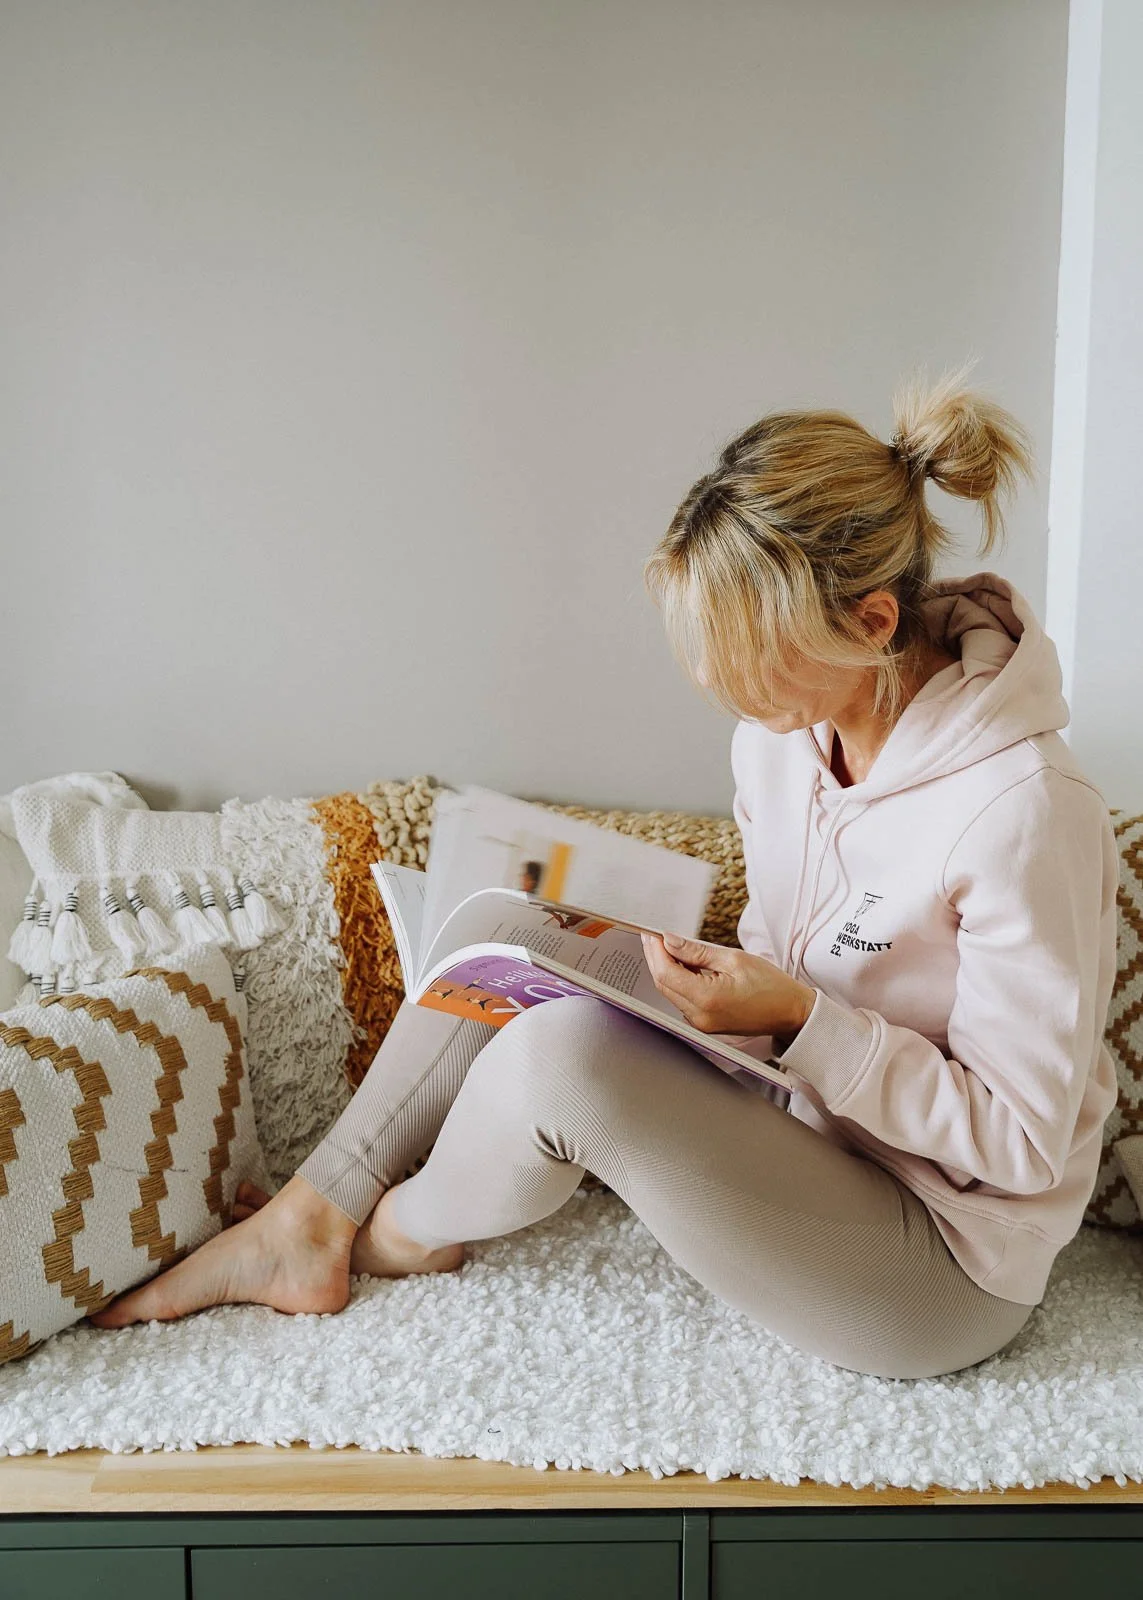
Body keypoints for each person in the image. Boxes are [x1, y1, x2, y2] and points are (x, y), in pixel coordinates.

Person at [90, 368, 1120, 1381]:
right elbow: (786, 949)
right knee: (505, 934)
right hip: (805, 1131)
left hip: (942, 1260)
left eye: (749, 653)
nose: (718, 683)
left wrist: (803, 1020)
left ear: (872, 625)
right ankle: (309, 1219)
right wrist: (723, 1006)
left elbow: (1020, 1143)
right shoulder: (785, 739)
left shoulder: (1023, 810)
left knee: (564, 1057)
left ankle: (392, 1236)